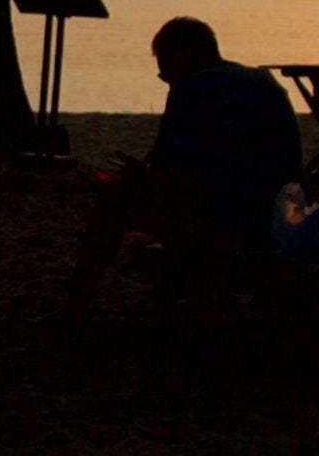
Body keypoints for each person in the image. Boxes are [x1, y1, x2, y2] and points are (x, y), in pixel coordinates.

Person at [64, 17, 306, 317]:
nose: (164, 77)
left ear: (180, 57)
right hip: (281, 216)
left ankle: (75, 307)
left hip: (231, 222)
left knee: (113, 198)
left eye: (164, 71)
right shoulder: (262, 81)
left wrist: (140, 177)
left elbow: (174, 176)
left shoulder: (192, 88)